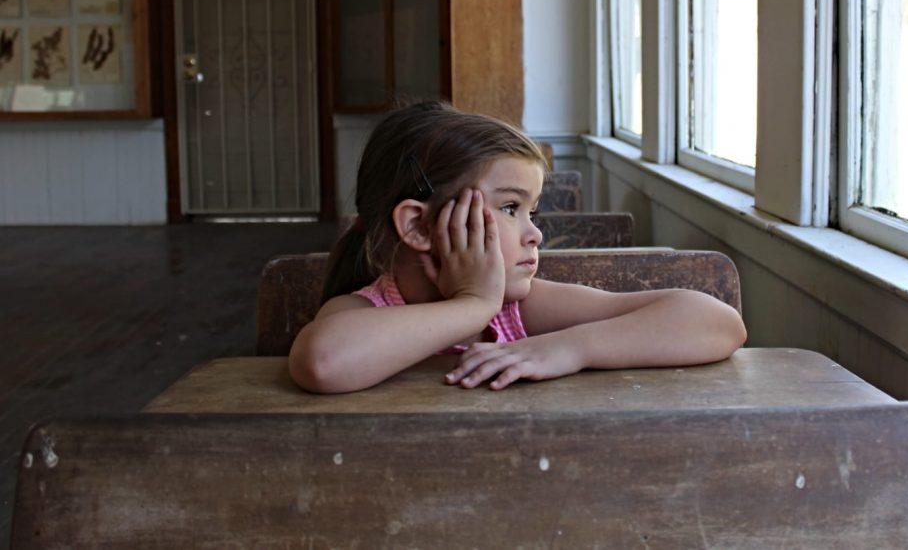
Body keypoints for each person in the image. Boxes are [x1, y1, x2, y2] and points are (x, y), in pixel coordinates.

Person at [289, 100, 746, 393]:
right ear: (419, 226)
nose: (535, 234)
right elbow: (325, 363)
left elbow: (717, 323)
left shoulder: (518, 312)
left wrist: (568, 349)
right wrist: (473, 305)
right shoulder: (365, 310)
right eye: (510, 208)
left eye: (533, 212)